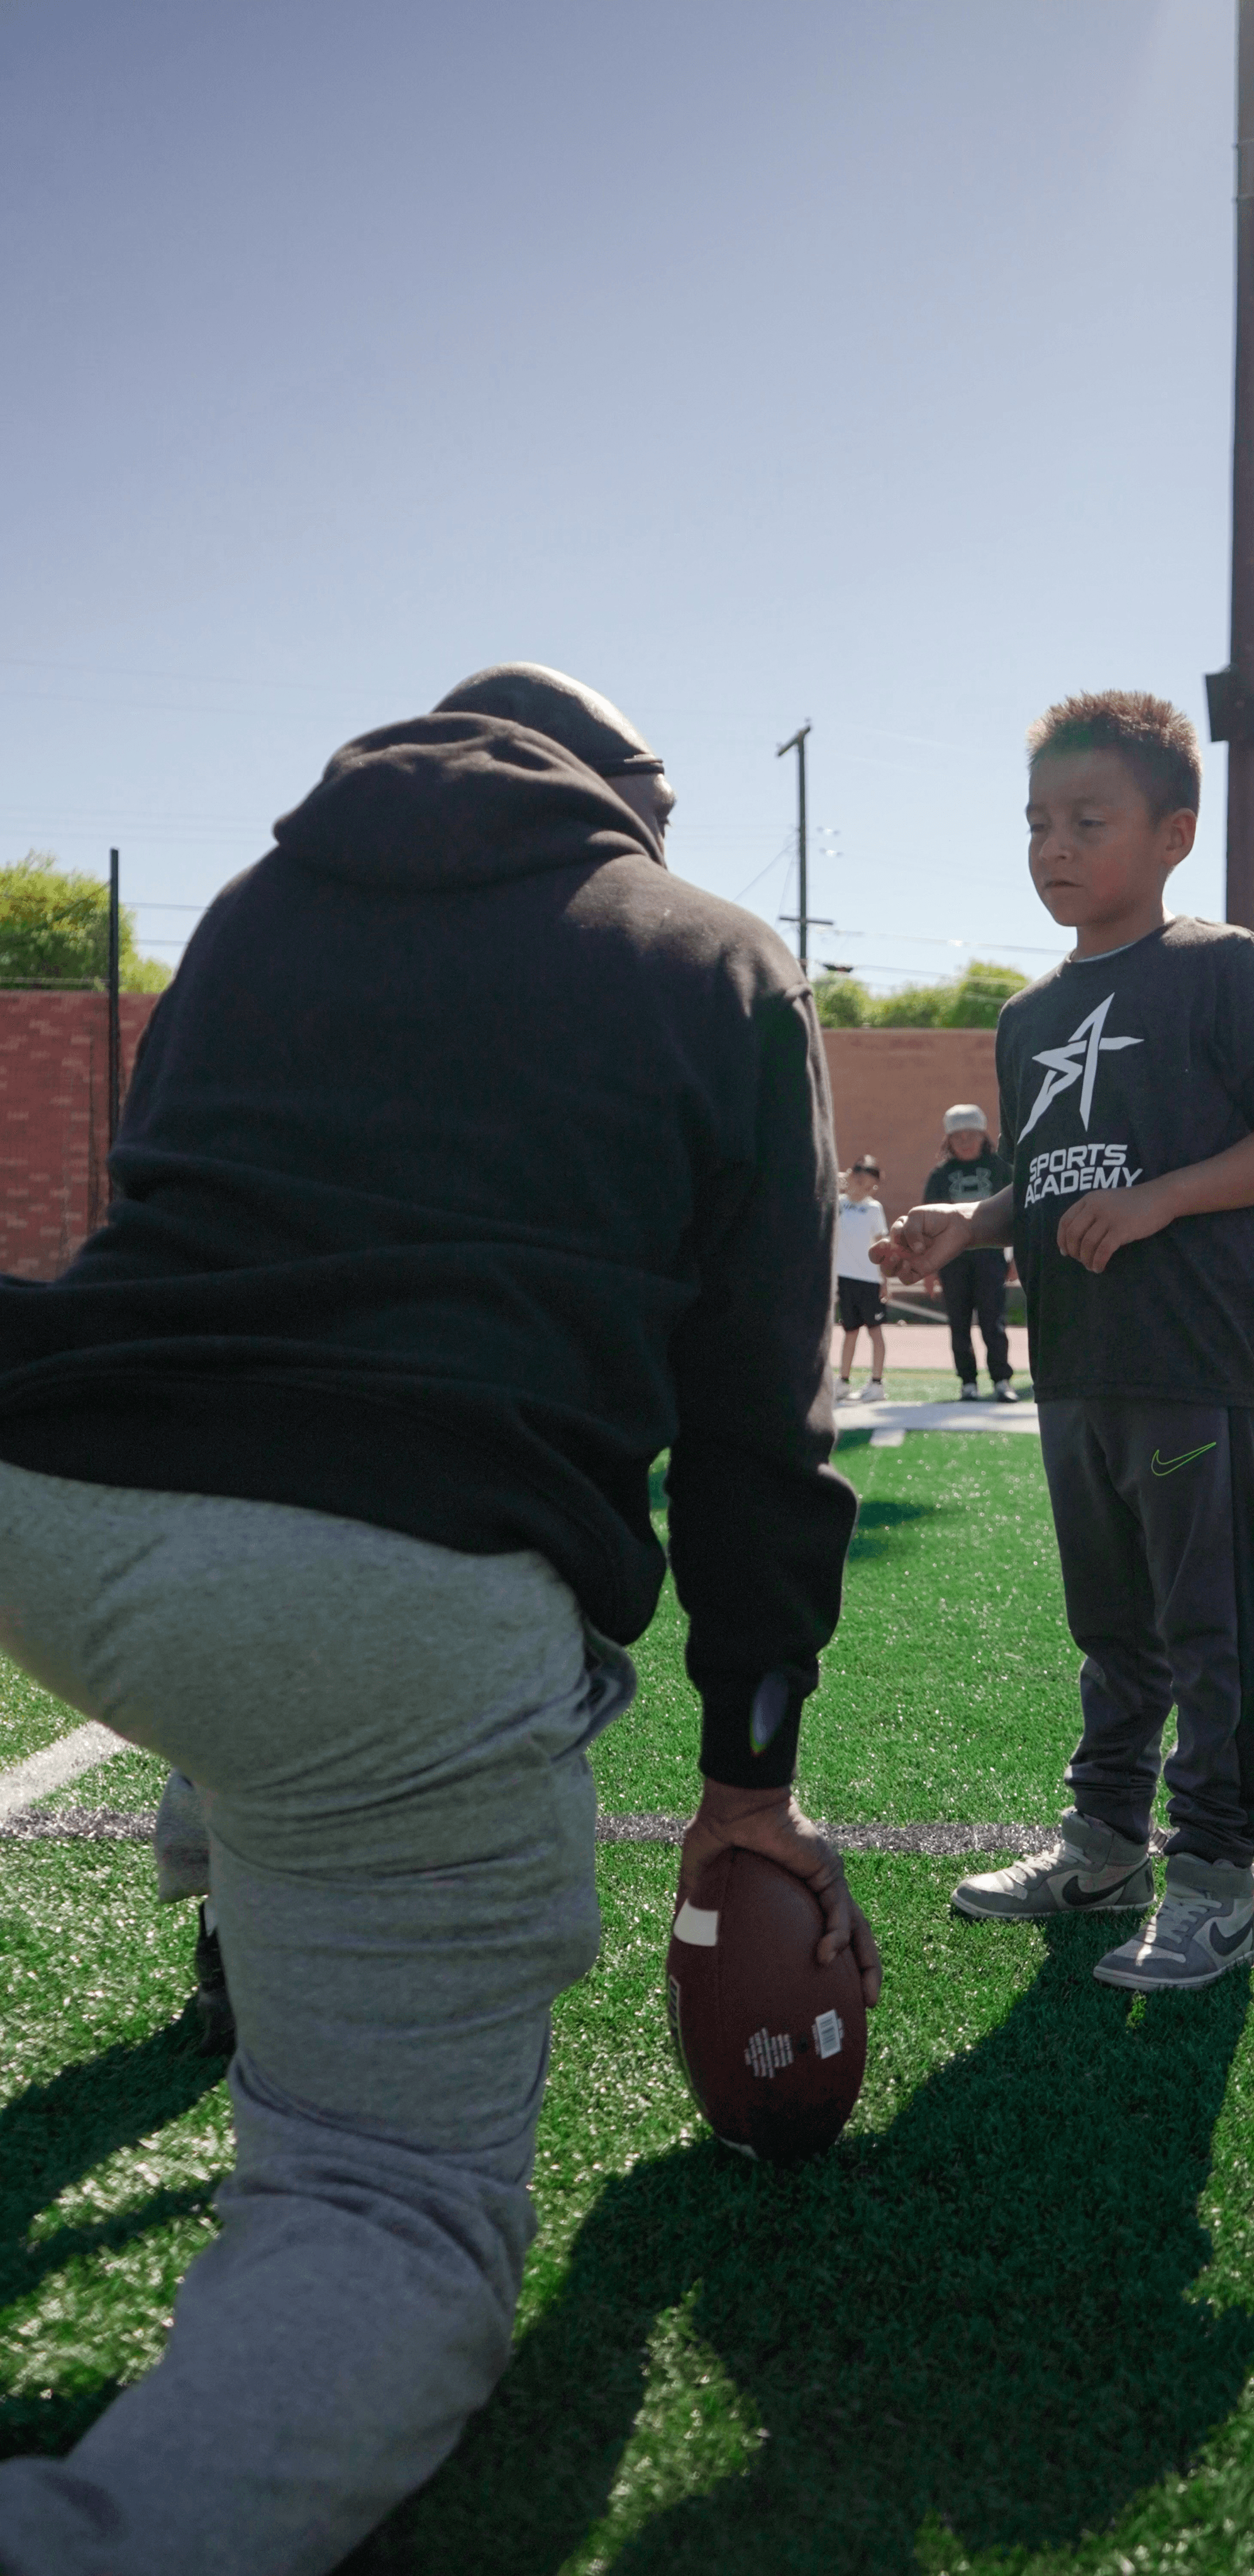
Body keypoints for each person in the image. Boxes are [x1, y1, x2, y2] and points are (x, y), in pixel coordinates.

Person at [0, 662, 879, 2576]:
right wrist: (749, 1781)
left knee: (253, 1647)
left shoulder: (256, 906)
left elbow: (196, 1229)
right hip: (376, 1596)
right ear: (626, 791)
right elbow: (758, 1414)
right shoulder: (715, 954)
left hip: (50, 1493)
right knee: (387, 2208)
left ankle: (226, 1866)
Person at [874, 689, 1254, 1992]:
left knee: (1205, 1631)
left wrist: (1162, 1199)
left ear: (1173, 834)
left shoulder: (1220, 965)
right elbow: (1047, 1176)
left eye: (1089, 819)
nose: (1054, 846)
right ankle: (1104, 1846)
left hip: (1189, 1356)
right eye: (1038, 822)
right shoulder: (1026, 1016)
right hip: (1072, 1359)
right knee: (1110, 1624)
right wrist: (970, 1221)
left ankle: (1216, 1884)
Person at [924, 1104, 1018, 1401]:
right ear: (948, 1141)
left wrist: (1016, 1257)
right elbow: (929, 1225)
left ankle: (1002, 1380)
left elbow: (1018, 1214)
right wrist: (929, 1268)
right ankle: (968, 1382)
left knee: (993, 1321)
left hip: (991, 1258)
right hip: (952, 1261)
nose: (965, 1141)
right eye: (957, 1136)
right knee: (959, 1323)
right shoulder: (940, 1176)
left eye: (971, 1135)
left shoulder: (1000, 1169)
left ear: (983, 1136)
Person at [835, 1154, 891, 1400]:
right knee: (850, 1332)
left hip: (869, 1280)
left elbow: (881, 1246)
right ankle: (843, 1381)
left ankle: (877, 1384)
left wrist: (884, 1280)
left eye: (870, 1187)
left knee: (875, 1331)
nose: (864, 1190)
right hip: (844, 1279)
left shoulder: (874, 1209)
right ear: (852, 1178)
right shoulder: (837, 1204)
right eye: (860, 1183)